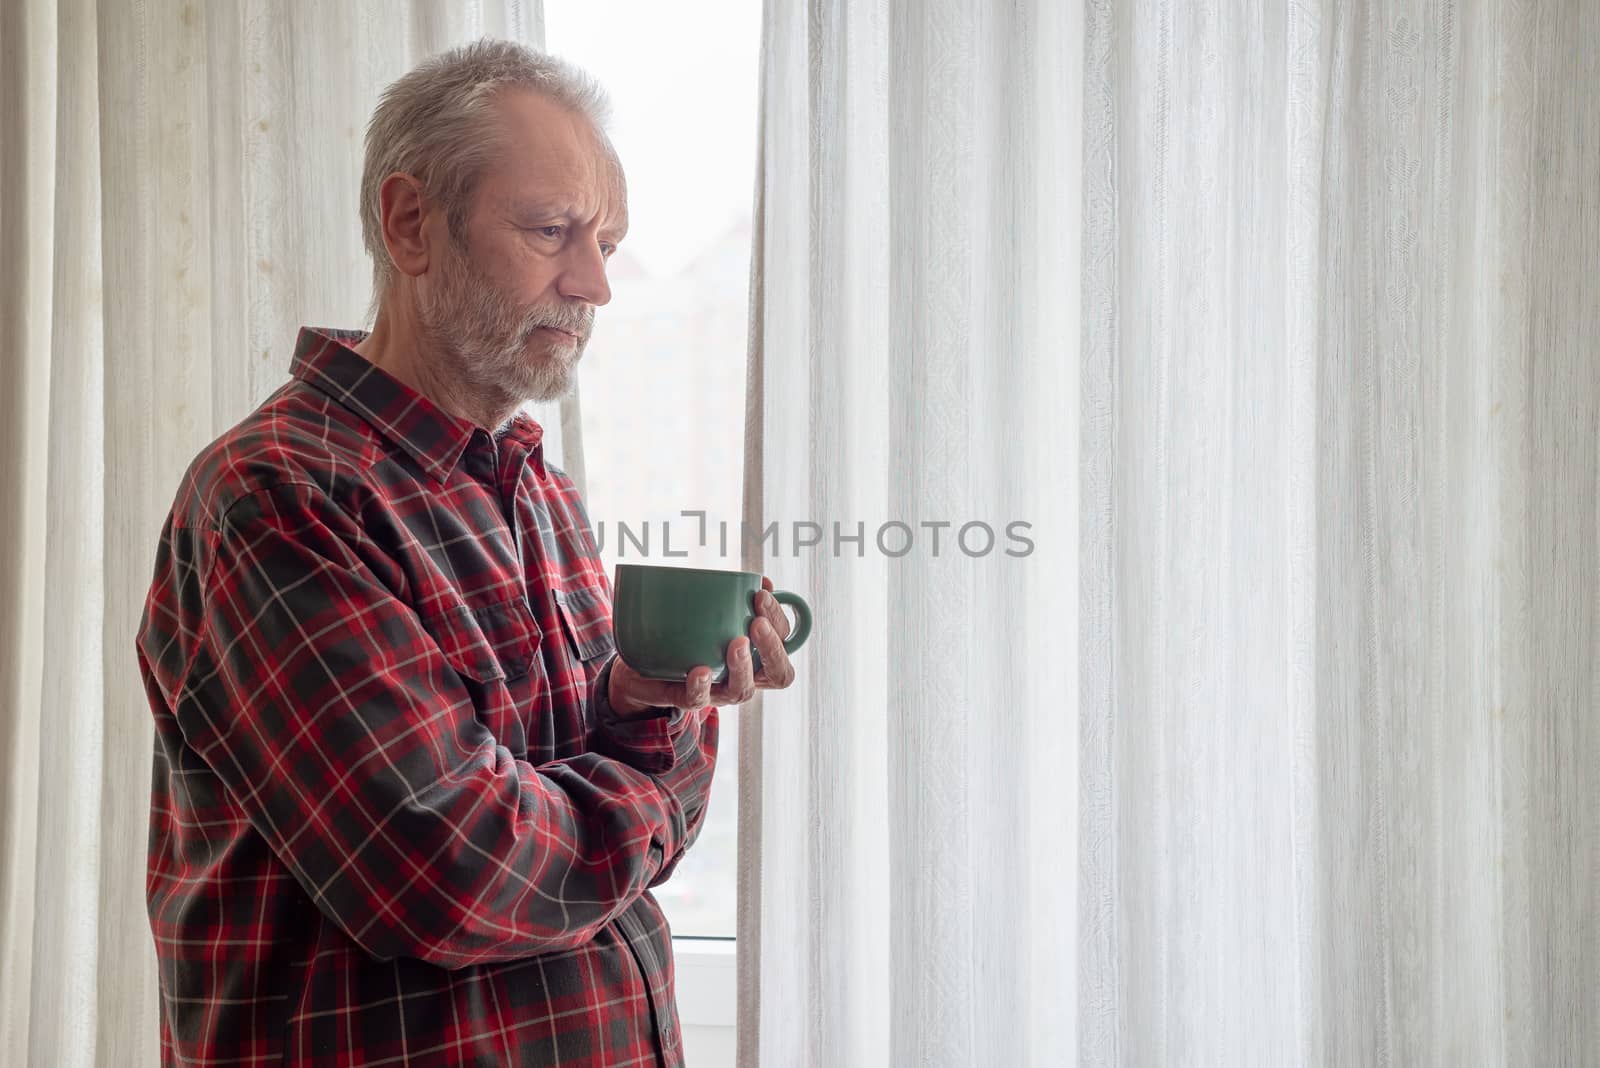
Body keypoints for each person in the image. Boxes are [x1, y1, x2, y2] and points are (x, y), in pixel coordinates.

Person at [135, 38, 797, 1067]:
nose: (593, 287)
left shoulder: (540, 490)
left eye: (608, 244)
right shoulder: (279, 496)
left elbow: (583, 801)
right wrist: (647, 787)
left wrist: (654, 697)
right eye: (550, 231)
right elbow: (447, 872)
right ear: (409, 224)